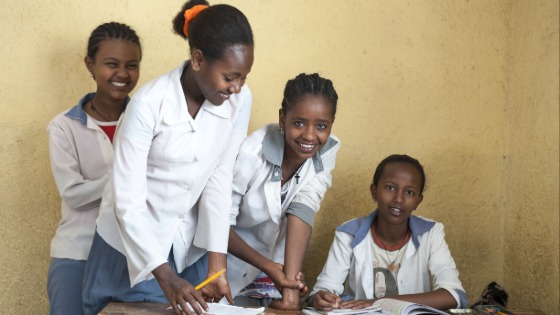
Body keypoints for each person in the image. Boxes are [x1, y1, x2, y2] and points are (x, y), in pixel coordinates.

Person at [81, 1, 254, 315]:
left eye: (243, 77)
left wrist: (217, 264)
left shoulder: (239, 101)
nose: (237, 87)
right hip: (131, 247)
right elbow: (127, 202)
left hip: (188, 249)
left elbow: (219, 179)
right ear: (198, 59)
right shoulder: (148, 106)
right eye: (230, 77)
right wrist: (164, 274)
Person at [46, 22, 142, 315]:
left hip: (133, 258)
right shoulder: (64, 126)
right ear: (90, 64)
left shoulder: (147, 121)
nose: (122, 74)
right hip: (78, 255)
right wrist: (129, 177)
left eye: (132, 65)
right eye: (111, 64)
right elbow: (73, 195)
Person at [225, 73, 341, 310]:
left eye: (321, 126)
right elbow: (218, 223)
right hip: (230, 262)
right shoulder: (251, 154)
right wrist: (270, 267)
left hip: (276, 270)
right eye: (299, 122)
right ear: (282, 118)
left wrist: (290, 288)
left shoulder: (327, 150)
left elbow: (303, 209)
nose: (309, 135)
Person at [309, 154, 468, 311]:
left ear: (418, 201)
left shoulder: (431, 233)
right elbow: (322, 291)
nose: (398, 199)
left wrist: (379, 302)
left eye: (410, 192)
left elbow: (454, 295)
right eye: (390, 188)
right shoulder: (349, 233)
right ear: (374, 191)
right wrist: (322, 298)